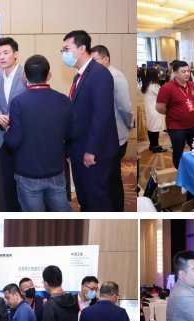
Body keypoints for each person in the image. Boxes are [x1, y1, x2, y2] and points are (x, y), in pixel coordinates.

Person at [3, 54, 72, 212]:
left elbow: (13, 140)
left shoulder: (18, 102)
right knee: (64, 215)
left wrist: (7, 131)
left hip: (28, 172)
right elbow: (72, 134)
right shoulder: (63, 100)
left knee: (34, 221)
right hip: (56, 169)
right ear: (49, 75)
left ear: (24, 75)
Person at [63, 30, 120, 212]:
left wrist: (91, 150)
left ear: (81, 49)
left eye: (67, 49)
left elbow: (101, 115)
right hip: (79, 149)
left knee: (97, 201)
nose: (64, 53)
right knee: (85, 198)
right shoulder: (79, 75)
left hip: (94, 152)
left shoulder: (99, 73)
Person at [90, 45, 134, 212]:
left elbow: (125, 108)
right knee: (105, 177)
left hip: (117, 136)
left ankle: (116, 209)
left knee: (113, 177)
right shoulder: (96, 77)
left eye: (95, 60)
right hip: (103, 137)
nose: (92, 64)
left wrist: (129, 125)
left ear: (106, 59)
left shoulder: (116, 77)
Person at [0, 37, 27, 212]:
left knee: (26, 187)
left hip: (25, 139)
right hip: (4, 139)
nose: (1, 57)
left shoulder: (25, 76)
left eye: (5, 53)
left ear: (16, 54)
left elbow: (31, 104)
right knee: (8, 185)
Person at [156, 60, 194, 170]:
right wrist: (173, 113)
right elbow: (159, 107)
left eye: (188, 71)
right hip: (176, 127)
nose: (187, 74)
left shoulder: (192, 86)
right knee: (178, 152)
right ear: (175, 73)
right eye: (183, 71)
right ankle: (181, 172)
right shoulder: (167, 88)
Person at [142, 68, 165, 153]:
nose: (159, 74)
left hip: (149, 110)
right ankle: (156, 146)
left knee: (151, 128)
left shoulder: (147, 84)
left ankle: (152, 145)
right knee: (155, 129)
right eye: (158, 73)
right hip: (155, 110)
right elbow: (162, 96)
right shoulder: (155, 86)